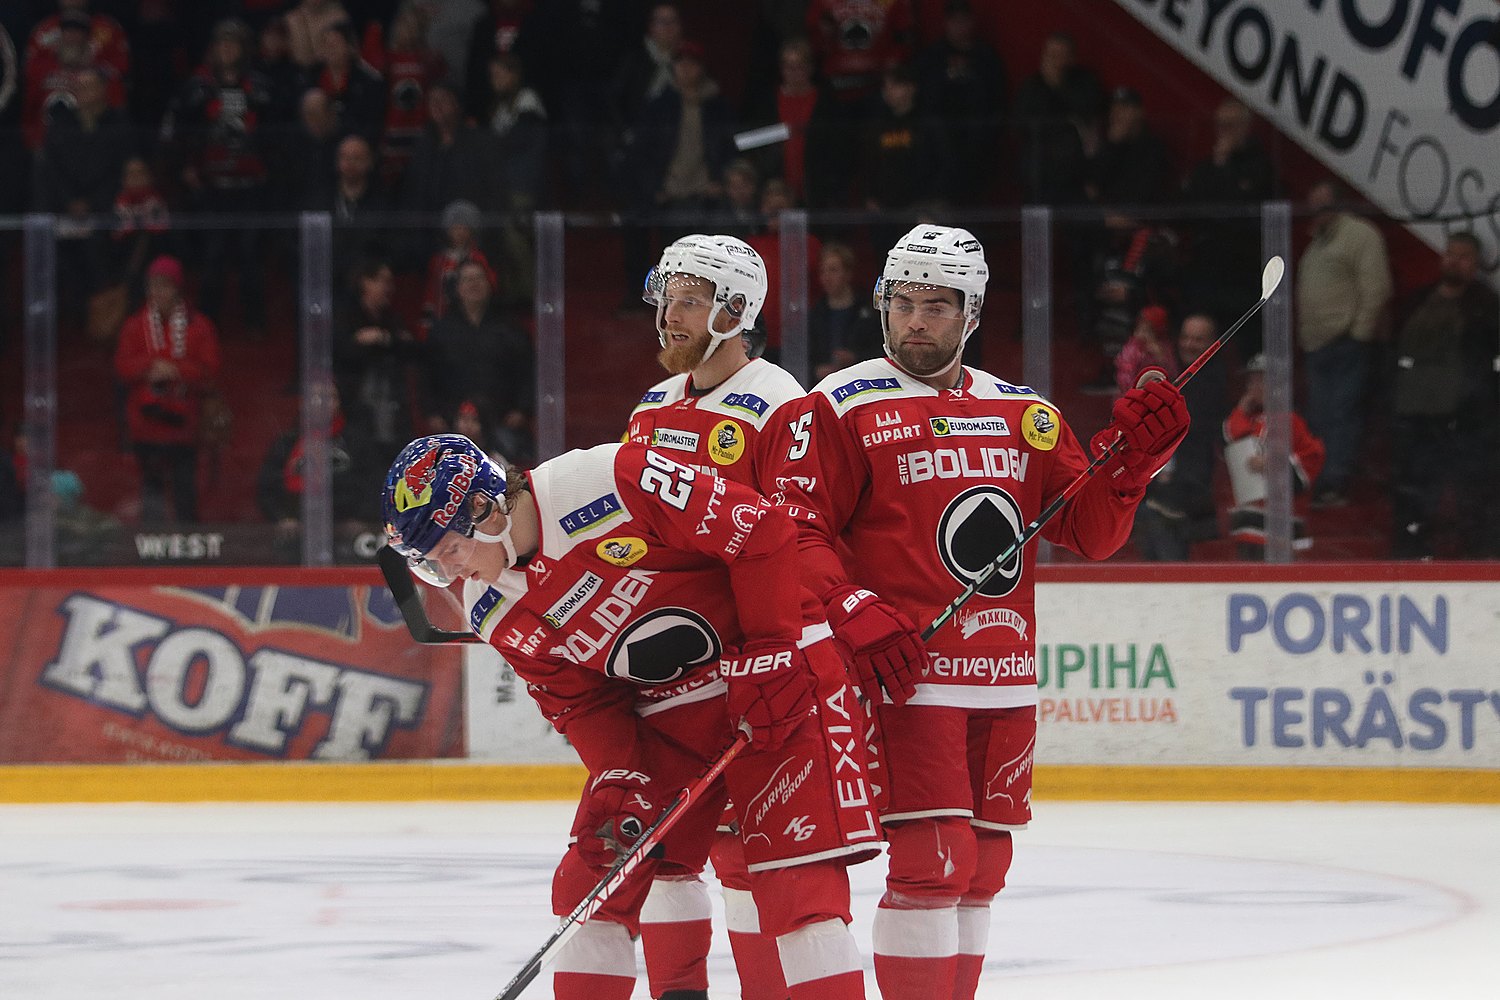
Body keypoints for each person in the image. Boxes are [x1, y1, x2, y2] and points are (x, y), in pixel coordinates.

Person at [770, 225, 1190, 1000]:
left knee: (982, 870)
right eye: (903, 303)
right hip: (909, 678)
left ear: (972, 313)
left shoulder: (1022, 411)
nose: (917, 321)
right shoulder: (841, 404)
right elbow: (794, 530)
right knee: (932, 861)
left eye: (938, 305)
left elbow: (1089, 531)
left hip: (1003, 678)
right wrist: (848, 602)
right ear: (881, 306)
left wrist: (1134, 463)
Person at [380, 434, 881, 1000]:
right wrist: (621, 772)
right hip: (669, 714)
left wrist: (772, 646)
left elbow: (760, 531)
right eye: (430, 562)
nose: (451, 574)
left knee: (799, 888)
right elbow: (580, 702)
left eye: (447, 551)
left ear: (481, 507)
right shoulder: (489, 605)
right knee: (589, 888)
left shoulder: (602, 480)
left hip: (776, 673)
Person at [624, 234, 806, 1000]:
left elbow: (801, 542)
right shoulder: (651, 406)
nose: (670, 315)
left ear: (736, 310)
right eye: (667, 296)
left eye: (690, 299)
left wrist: (782, 654)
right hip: (669, 677)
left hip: (755, 672)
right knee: (665, 855)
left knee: (749, 856)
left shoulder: (781, 403)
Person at [1389, 231, 1500, 558]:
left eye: (1463, 255)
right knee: (1415, 493)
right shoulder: (1418, 300)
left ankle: (1478, 558)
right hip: (1415, 415)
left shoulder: (1486, 307)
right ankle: (1411, 555)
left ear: (1476, 263)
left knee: (1472, 494)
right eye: (1450, 253)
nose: (1454, 260)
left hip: (1464, 420)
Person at [1295, 179, 1392, 507]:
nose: (1316, 212)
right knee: (1321, 414)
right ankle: (1320, 476)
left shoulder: (1359, 235)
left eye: (1322, 205)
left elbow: (1376, 286)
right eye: (1313, 206)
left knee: (1341, 412)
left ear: (1338, 204)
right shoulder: (1317, 243)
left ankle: (1334, 480)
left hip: (1345, 343)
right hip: (1318, 344)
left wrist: (1359, 334)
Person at [113, 255, 223, 525]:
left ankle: (187, 557)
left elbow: (210, 371)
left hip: (184, 426)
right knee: (151, 496)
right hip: (146, 425)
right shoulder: (134, 325)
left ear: (177, 289)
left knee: (185, 493)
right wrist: (152, 364)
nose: (157, 293)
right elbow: (123, 367)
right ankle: (152, 557)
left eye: (164, 286)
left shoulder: (199, 326)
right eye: (152, 286)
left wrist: (174, 370)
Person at [1222, 354, 1325, 558]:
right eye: (1251, 380)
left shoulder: (1290, 421)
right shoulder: (1249, 419)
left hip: (1278, 529)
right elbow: (1232, 437)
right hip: (1248, 527)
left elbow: (1313, 456)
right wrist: (1241, 410)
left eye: (1260, 380)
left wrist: (1273, 464)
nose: (1253, 386)